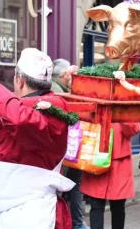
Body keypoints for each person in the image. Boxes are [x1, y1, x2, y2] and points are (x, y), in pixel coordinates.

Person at [0, 48, 75, 228]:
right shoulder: (21, 109)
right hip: (14, 209)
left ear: (20, 80)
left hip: (33, 213)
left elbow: (20, 119)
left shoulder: (50, 108)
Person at [81, 122, 140, 229]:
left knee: (118, 206)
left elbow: (133, 129)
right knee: (96, 204)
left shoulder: (123, 107)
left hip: (118, 161)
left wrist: (122, 115)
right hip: (97, 158)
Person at [51, 59, 86, 229]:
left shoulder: (58, 89)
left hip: (64, 150)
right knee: (72, 186)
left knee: (71, 186)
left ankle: (74, 222)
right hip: (65, 151)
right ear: (65, 75)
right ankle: (75, 223)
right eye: (71, 75)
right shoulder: (60, 93)